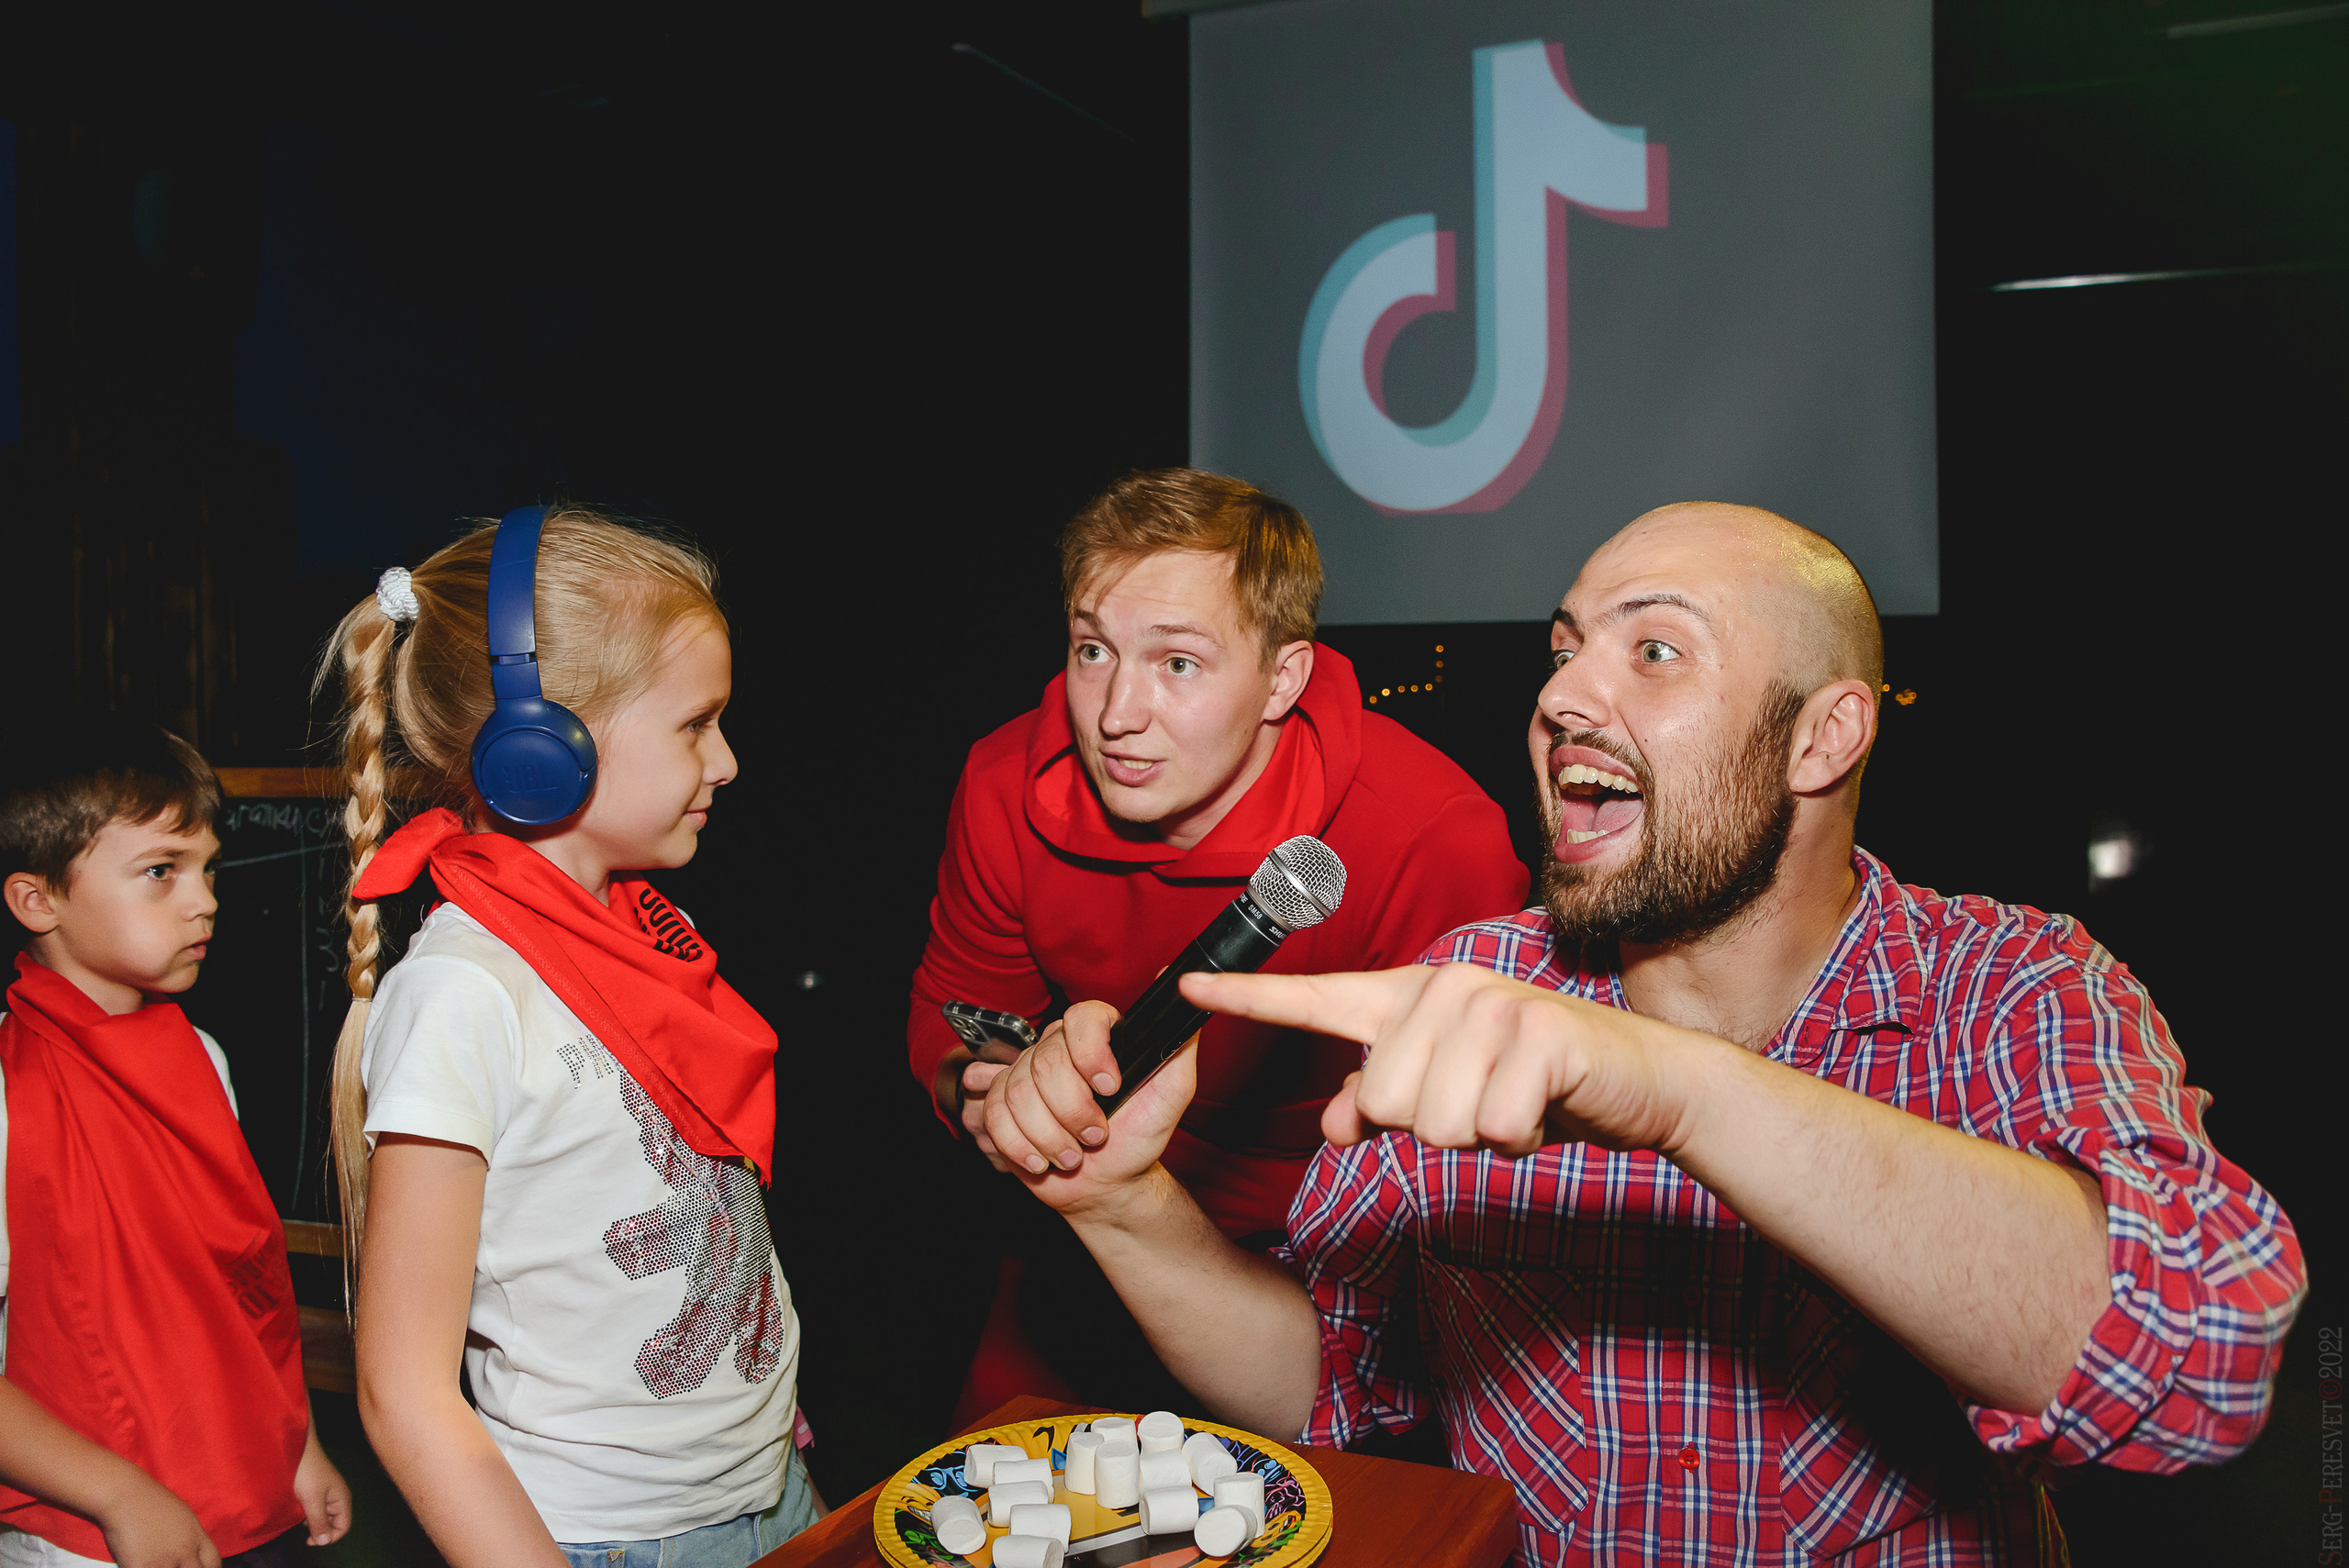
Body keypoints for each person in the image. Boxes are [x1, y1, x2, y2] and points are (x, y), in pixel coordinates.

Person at [977, 503, 2306, 1563]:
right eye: (1564, 649)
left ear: (1822, 735)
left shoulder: (2008, 984)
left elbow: (2203, 1363)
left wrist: (1675, 1091)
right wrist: (1124, 1204)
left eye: (1652, 649)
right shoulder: (1476, 983)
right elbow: (1329, 1390)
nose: (1563, 697)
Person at [910, 468, 1527, 1420]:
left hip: (1340, 1267)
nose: (1116, 713)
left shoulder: (1430, 834)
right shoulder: (1002, 783)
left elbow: (1471, 1168)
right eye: (1091, 650)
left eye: (1178, 664)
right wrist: (995, 1096)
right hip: (1086, 1227)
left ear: (1284, 676)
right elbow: (950, 1010)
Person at [320, 506, 819, 1568]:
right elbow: (402, 1392)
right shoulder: (464, 990)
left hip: (769, 1480)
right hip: (610, 1540)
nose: (725, 760)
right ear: (541, 749)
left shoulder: (643, 937)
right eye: (695, 723)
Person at [0, 714, 353, 1568]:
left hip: (245, 1494)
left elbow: (243, 1281)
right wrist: (119, 1494)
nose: (205, 900)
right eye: (161, 871)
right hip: (90, 1534)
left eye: (207, 869)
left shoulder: (203, 1057)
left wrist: (295, 1440)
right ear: (37, 899)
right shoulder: (8, 1096)